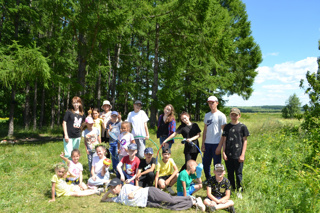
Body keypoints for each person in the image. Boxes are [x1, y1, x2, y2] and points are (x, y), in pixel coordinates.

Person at [101, 178, 206, 212]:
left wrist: (133, 192)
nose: (113, 189)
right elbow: (104, 200)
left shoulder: (126, 187)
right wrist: (109, 192)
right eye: (111, 188)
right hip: (146, 203)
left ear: (120, 185)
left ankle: (191, 198)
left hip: (149, 193)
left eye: (114, 187)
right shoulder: (118, 199)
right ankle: (192, 202)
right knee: (169, 207)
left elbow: (140, 188)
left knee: (171, 199)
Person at [222, 107, 249, 191]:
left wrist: (242, 155)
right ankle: (231, 189)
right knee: (230, 173)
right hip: (228, 154)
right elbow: (224, 140)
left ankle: (239, 190)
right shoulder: (227, 127)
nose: (233, 117)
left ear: (239, 116)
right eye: (232, 115)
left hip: (238, 155)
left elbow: (245, 141)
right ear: (230, 115)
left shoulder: (242, 127)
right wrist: (223, 152)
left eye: (235, 115)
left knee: (238, 173)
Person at [202, 96, 227, 180]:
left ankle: (217, 181)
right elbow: (205, 130)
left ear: (217, 103)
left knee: (217, 165)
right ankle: (208, 179)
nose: (211, 104)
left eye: (212, 102)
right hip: (207, 143)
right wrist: (203, 144)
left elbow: (224, 133)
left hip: (216, 143)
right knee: (206, 163)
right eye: (209, 103)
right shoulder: (207, 115)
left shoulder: (221, 115)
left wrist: (220, 147)